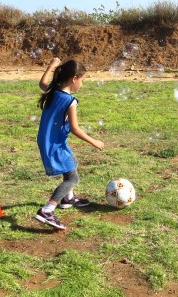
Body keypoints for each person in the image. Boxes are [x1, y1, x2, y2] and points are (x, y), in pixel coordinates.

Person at [34, 58, 104, 230]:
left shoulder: (53, 91)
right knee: (73, 178)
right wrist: (94, 141)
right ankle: (47, 210)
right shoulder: (70, 101)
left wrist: (50, 67)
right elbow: (75, 128)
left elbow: (42, 83)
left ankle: (68, 199)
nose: (82, 84)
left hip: (48, 140)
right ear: (74, 79)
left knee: (72, 163)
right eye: (82, 80)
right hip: (54, 143)